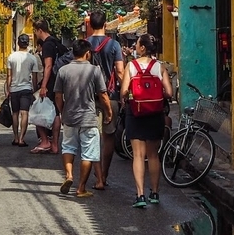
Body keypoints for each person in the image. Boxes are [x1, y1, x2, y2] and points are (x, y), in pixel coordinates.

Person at [119, 34, 174, 207]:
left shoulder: (131, 66)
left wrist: (129, 97)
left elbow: (123, 92)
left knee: (138, 155)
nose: (135, 47)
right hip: (155, 113)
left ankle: (140, 195)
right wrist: (156, 95)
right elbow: (170, 93)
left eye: (136, 44)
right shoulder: (160, 67)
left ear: (142, 48)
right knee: (153, 155)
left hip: (136, 113)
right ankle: (155, 193)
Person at [54, 39, 112, 198]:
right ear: (88, 53)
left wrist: (62, 110)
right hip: (88, 118)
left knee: (68, 147)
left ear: (73, 53)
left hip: (69, 117)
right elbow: (103, 95)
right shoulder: (94, 70)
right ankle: (81, 188)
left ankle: (69, 176)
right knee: (88, 153)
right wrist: (108, 112)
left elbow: (58, 95)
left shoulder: (63, 71)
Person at [86, 11, 124, 190]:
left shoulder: (84, 45)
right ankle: (105, 174)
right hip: (111, 95)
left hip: (88, 97)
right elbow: (120, 71)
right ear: (105, 24)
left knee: (91, 137)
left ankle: (98, 176)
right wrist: (125, 92)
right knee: (108, 138)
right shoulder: (114, 45)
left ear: (90, 25)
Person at [5, 33, 41, 146]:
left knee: (15, 113)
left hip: (14, 88)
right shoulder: (32, 58)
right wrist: (34, 90)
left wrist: (8, 89)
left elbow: (9, 76)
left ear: (18, 43)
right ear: (28, 44)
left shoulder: (11, 57)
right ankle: (21, 139)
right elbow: (34, 76)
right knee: (24, 113)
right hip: (26, 88)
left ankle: (15, 138)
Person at [33, 18, 62, 153]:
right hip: (59, 81)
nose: (35, 34)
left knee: (37, 110)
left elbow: (48, 65)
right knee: (55, 112)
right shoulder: (56, 42)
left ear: (40, 30)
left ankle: (45, 141)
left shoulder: (47, 45)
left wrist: (43, 85)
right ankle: (55, 144)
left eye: (35, 31)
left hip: (51, 81)